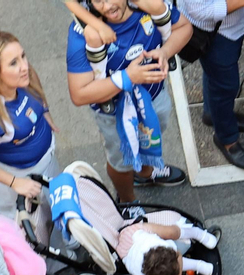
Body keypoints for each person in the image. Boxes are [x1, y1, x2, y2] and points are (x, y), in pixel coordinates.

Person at [64, 0, 191, 203]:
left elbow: (184, 27)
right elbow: (79, 94)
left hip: (154, 97)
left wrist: (165, 51)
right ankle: (127, 200)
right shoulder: (83, 33)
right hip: (114, 114)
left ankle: (145, 173)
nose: (106, 7)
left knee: (151, 137)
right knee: (122, 161)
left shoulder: (149, 5)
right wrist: (128, 78)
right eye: (98, 1)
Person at [0, 32, 63, 219]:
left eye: (23, 56)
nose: (24, 66)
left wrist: (44, 111)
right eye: (13, 63)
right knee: (18, 222)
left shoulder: (22, 76)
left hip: (46, 161)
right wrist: (15, 182)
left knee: (54, 207)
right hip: (15, 173)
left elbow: (33, 77)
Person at [179, 0, 244, 169]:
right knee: (225, 86)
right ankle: (226, 138)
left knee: (215, 76)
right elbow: (199, 10)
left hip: (229, 28)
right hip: (215, 31)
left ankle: (212, 114)